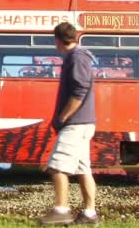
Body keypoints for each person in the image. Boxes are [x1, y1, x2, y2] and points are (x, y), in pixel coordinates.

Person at [39, 22, 98, 225]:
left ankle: (61, 210)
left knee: (57, 166)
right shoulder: (78, 57)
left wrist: (63, 117)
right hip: (83, 123)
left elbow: (80, 91)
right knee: (83, 170)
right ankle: (90, 215)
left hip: (76, 123)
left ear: (57, 40)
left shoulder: (76, 57)